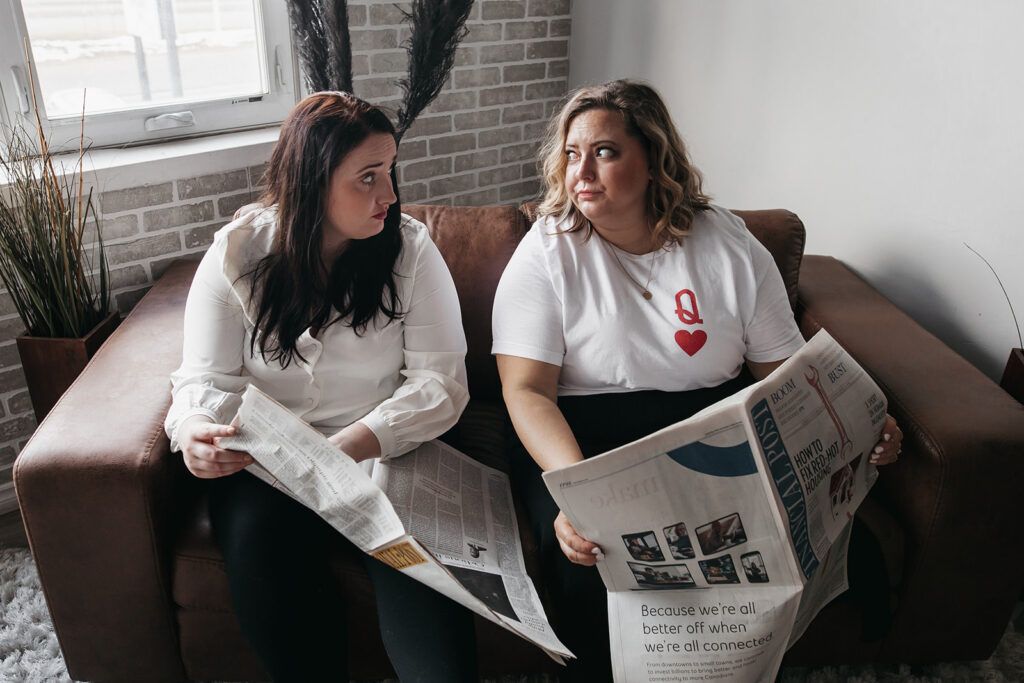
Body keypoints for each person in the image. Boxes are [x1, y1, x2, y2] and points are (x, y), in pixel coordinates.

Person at [491, 80, 902, 681]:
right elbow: (525, 391)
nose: (582, 170)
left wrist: (864, 421)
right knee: (590, 560)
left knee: (793, 539)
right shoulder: (547, 251)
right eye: (572, 153)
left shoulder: (727, 244)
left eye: (605, 151)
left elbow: (788, 373)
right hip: (585, 436)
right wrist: (571, 492)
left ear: (655, 160)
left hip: (711, 425)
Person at [164, 92, 476, 682]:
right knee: (260, 548)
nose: (388, 195)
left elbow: (442, 382)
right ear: (311, 182)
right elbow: (203, 379)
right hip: (271, 459)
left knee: (422, 584)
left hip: (383, 446)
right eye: (367, 178)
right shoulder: (236, 255)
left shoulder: (410, 249)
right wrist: (193, 431)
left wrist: (352, 445)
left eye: (389, 172)